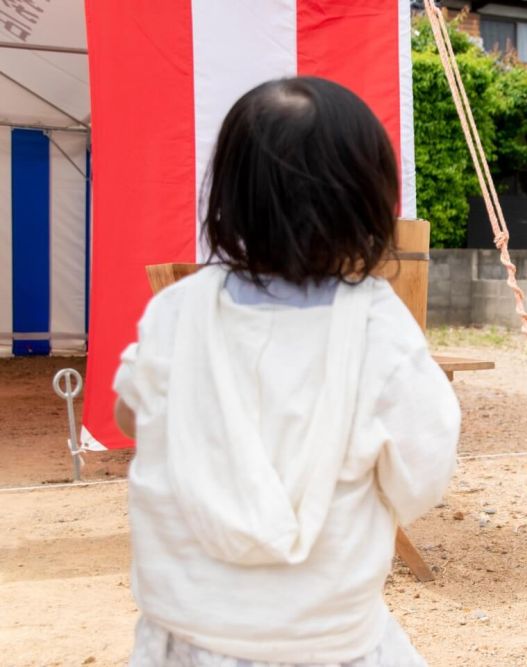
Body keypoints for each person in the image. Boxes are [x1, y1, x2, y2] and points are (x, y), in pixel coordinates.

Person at [113, 77, 460, 665]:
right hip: (327, 639)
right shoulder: (379, 328)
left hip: (184, 636)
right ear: (370, 201)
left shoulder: (177, 309)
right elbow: (422, 475)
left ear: (228, 195)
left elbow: (129, 414)